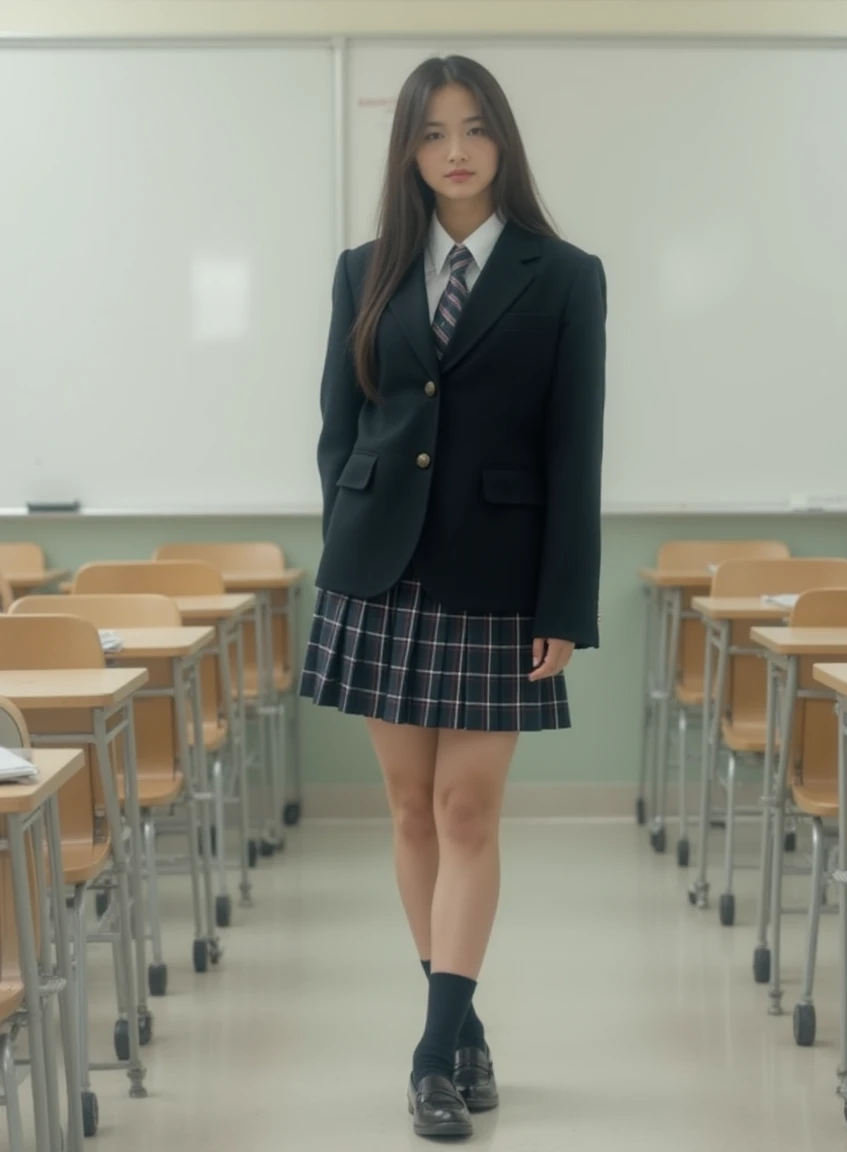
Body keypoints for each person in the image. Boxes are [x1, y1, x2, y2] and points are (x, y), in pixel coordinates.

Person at [300, 54, 606, 1140]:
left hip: (497, 579)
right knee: (404, 809)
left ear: (502, 141)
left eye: (474, 129)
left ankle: (433, 1049)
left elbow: (576, 451)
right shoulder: (364, 268)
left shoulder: (563, 274)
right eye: (432, 134)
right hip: (375, 573)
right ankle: (462, 1019)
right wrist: (346, 538)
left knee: (466, 810)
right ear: (409, 152)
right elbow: (341, 427)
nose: (455, 151)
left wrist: (564, 602)